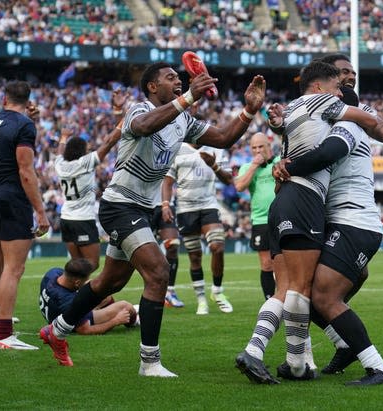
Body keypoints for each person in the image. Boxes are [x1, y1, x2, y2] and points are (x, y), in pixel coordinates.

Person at [40, 62, 265, 377]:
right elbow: (145, 126)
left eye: (179, 78)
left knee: (110, 281)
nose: (178, 81)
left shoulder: (183, 120)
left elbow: (225, 137)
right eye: (170, 77)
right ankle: (150, 361)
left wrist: (249, 111)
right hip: (120, 205)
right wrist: (187, 97)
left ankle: (57, 330)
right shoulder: (138, 110)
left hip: (142, 209)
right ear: (151, 87)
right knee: (159, 272)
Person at [235, 61, 383, 384]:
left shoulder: (342, 120)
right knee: (303, 291)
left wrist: (285, 162)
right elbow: (320, 142)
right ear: (324, 83)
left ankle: (313, 362)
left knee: (308, 292)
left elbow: (327, 150)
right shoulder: (328, 110)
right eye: (341, 75)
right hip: (319, 211)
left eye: (352, 77)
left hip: (345, 218)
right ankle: (310, 358)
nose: (346, 80)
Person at [0, 81, 50, 350]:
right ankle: (5, 335)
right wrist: (41, 212)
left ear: (4, 97)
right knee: (13, 268)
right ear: (28, 99)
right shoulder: (24, 125)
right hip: (13, 198)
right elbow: (26, 170)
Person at [54, 89, 126, 271]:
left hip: (66, 218)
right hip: (82, 219)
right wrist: (123, 121)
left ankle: (72, 297)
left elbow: (60, 152)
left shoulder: (60, 164)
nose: (89, 150)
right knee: (92, 265)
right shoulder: (85, 163)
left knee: (76, 264)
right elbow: (108, 143)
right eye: (86, 148)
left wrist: (63, 137)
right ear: (81, 151)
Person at [162, 143, 234, 315]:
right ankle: (201, 300)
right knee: (195, 256)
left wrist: (214, 165)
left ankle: (217, 291)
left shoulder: (216, 148)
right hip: (185, 210)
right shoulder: (177, 148)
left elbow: (228, 179)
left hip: (209, 205)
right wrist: (165, 204)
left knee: (217, 246)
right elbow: (167, 182)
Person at [234, 132, 279, 300]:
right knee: (267, 264)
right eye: (254, 147)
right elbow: (239, 186)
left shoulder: (278, 162)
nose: (258, 150)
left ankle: (286, 299)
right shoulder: (247, 167)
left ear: (268, 145)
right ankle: (270, 301)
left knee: (283, 263)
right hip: (261, 221)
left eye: (261, 146)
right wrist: (254, 165)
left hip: (282, 218)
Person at [39, 258, 138, 334]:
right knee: (125, 307)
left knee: (102, 291)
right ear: (77, 282)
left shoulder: (52, 273)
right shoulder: (69, 302)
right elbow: (84, 330)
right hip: (70, 320)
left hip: (57, 308)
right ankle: (136, 321)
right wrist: (116, 321)